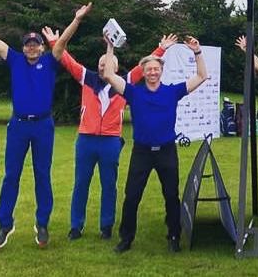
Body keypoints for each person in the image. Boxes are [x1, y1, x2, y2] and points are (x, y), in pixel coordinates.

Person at [0, 3, 91, 249]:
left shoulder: (50, 61)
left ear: (42, 47)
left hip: (43, 126)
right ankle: (5, 225)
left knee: (42, 175)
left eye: (36, 44)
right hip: (18, 126)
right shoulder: (15, 60)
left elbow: (62, 42)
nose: (32, 48)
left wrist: (77, 19)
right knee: (11, 175)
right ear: (23, 48)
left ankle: (42, 224)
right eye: (28, 45)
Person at [41, 28, 177, 241]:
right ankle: (76, 226)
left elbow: (145, 68)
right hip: (86, 139)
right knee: (81, 184)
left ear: (116, 67)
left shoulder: (124, 84)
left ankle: (106, 226)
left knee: (109, 186)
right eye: (101, 64)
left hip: (111, 141)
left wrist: (161, 49)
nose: (104, 67)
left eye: (109, 64)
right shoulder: (87, 78)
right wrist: (53, 43)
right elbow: (67, 61)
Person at [102, 35, 208, 253]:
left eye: (156, 69)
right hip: (142, 152)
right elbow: (109, 75)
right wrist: (110, 47)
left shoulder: (172, 91)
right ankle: (126, 239)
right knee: (132, 196)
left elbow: (202, 76)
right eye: (149, 69)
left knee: (171, 196)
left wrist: (197, 52)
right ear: (143, 72)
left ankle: (174, 236)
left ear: (161, 71)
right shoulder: (133, 92)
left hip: (166, 151)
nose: (152, 72)